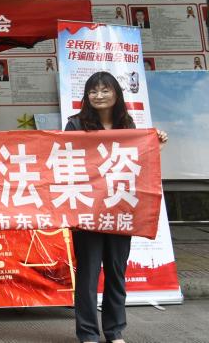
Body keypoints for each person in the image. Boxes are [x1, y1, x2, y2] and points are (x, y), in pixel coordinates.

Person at [65, 71, 167, 343]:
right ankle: (87, 333)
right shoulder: (75, 124)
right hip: (88, 211)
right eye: (93, 91)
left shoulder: (127, 124)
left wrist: (155, 143)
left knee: (116, 271)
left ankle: (114, 330)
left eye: (105, 90)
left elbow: (139, 161)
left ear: (116, 94)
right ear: (86, 96)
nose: (99, 96)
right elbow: (67, 162)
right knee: (88, 274)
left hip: (120, 210)